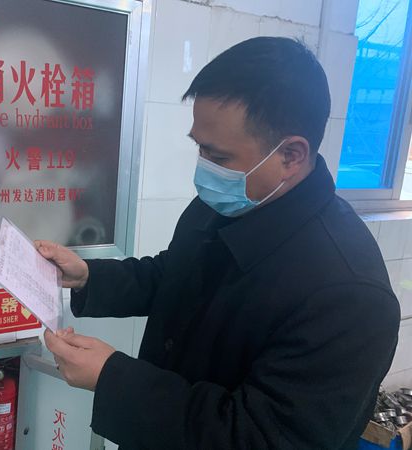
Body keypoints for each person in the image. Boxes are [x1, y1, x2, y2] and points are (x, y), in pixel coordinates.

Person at [37, 37, 401, 450]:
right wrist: (89, 276)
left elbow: (260, 438)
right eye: (199, 148)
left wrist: (112, 378)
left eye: (219, 157)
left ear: (291, 155)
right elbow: (173, 276)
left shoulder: (349, 295)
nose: (204, 169)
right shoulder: (228, 202)